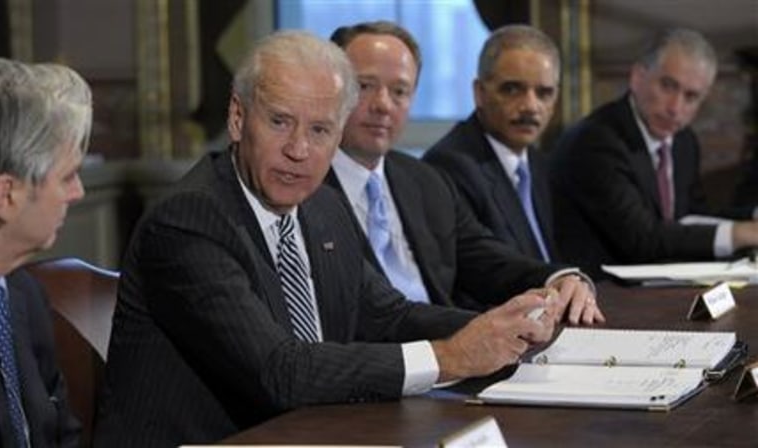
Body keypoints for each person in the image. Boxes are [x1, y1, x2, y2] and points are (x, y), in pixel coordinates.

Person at [94, 30, 558, 447]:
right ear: (237, 118)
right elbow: (280, 371)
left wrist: (498, 332)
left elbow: (387, 316)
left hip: (313, 434)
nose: (299, 150)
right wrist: (450, 357)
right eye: (279, 122)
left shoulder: (323, 207)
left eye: (319, 130)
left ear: (339, 136)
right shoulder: (188, 220)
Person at [327, 21, 602, 322]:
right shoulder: (305, 189)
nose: (383, 105)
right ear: (331, 90)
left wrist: (559, 279)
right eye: (365, 86)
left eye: (400, 91)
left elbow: (486, 260)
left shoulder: (423, 180)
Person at [548, 28, 758, 274]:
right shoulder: (595, 141)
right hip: (600, 294)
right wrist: (741, 233)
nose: (675, 108)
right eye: (668, 86)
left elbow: (691, 218)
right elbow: (641, 239)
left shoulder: (683, 141)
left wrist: (751, 217)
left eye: (691, 97)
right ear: (638, 77)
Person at [0, 58, 90, 447]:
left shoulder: (24, 296)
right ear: (6, 195)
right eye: (67, 176)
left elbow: (62, 435)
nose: (79, 192)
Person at [424, 24, 561, 264]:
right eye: (512, 89)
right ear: (479, 93)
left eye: (544, 93)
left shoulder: (539, 164)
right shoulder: (449, 167)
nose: (530, 106)